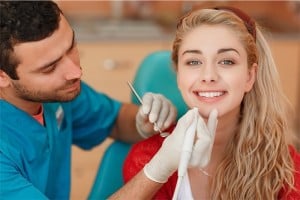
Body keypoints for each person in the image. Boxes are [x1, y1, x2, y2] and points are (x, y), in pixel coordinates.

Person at [0, 1, 178, 199]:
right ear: (2, 76)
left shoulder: (56, 96)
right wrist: (157, 171)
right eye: (50, 68)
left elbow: (115, 121)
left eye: (71, 47)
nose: (76, 72)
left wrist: (144, 120)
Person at [122, 6, 300, 199]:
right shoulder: (149, 158)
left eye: (226, 61)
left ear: (250, 76)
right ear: (178, 75)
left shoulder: (286, 168)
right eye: (193, 62)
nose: (208, 76)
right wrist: (161, 167)